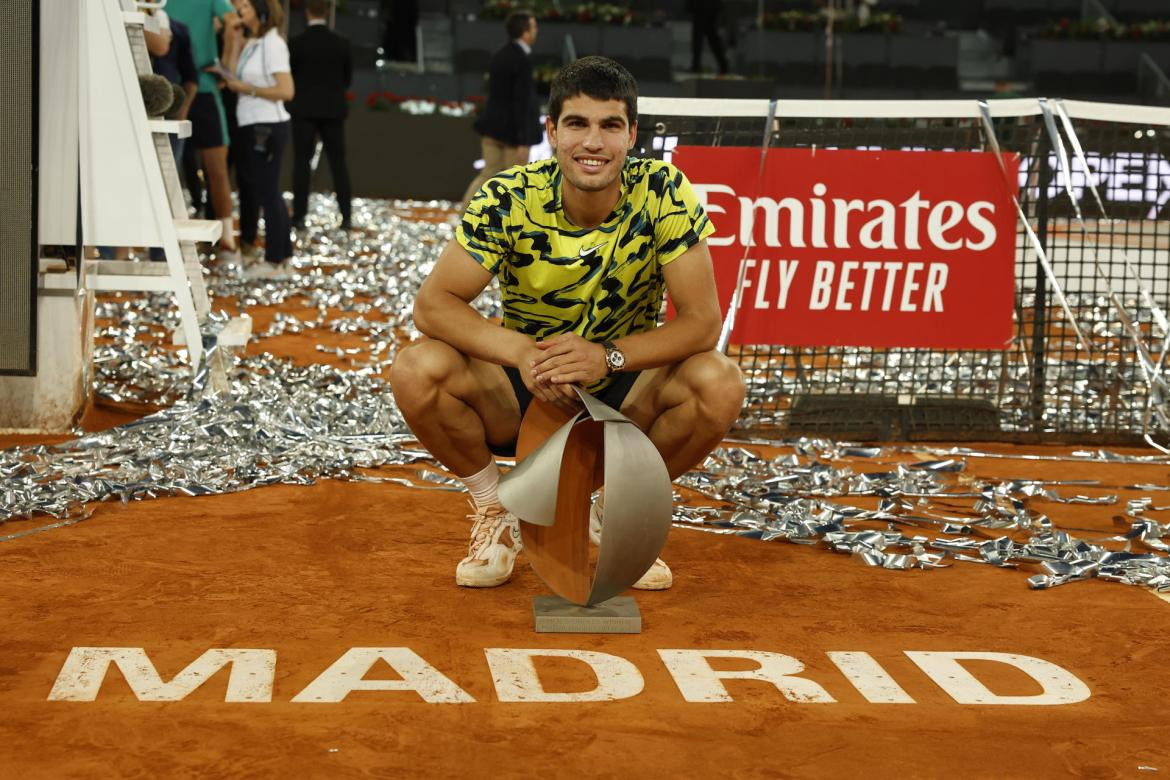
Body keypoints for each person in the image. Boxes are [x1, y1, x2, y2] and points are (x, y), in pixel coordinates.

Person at [391, 56, 746, 591]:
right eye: (577, 124)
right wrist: (522, 354)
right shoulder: (507, 196)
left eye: (610, 125)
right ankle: (498, 510)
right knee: (417, 369)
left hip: (625, 389)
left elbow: (702, 324)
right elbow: (433, 305)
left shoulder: (665, 191)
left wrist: (608, 356)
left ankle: (616, 509)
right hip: (528, 386)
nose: (593, 143)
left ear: (632, 135)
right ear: (552, 132)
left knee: (719, 383)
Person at [221, 0, 295, 273]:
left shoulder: (273, 44)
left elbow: (287, 91)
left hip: (267, 124)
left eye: (246, 6)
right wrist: (232, 39)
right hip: (253, 123)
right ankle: (281, 258)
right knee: (267, 191)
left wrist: (249, 89)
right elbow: (230, 77)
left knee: (268, 192)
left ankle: (275, 260)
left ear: (261, 10)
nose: (240, 10)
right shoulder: (254, 42)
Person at [166, 0, 240, 252]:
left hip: (187, 89)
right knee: (171, 169)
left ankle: (227, 239)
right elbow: (234, 23)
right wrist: (227, 68)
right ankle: (168, 240)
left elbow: (234, 24)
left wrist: (227, 68)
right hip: (177, 90)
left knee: (213, 169)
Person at [458, 12, 543, 208]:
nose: (536, 31)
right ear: (525, 32)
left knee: (488, 176)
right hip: (512, 134)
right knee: (516, 181)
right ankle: (513, 229)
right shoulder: (521, 60)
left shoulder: (500, 54)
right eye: (534, 27)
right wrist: (523, 140)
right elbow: (522, 102)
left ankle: (465, 215)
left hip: (492, 128)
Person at [288, 0, 354, 231]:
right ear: (326, 11)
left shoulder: (296, 43)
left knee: (301, 164)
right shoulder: (342, 43)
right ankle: (346, 217)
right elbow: (347, 80)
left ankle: (298, 217)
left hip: (303, 111)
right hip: (333, 111)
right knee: (339, 164)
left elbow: (291, 78)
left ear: (307, 13)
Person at [688, 0, 729, 75]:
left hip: (701, 6)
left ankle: (696, 65)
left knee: (700, 37)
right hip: (709, 6)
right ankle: (723, 64)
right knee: (711, 36)